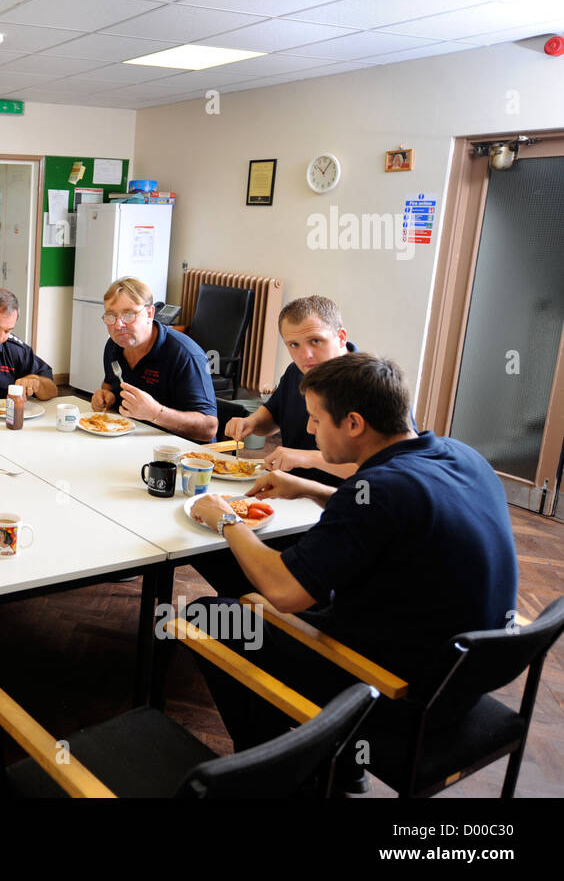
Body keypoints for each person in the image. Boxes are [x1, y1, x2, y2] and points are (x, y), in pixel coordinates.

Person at [186, 353, 518, 755]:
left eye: (316, 420)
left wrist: (226, 519)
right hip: (465, 674)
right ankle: (338, 764)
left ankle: (277, 769)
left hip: (395, 692)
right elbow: (389, 517)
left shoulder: (381, 491)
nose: (308, 430)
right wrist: (310, 488)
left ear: (354, 423)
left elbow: (285, 592)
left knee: (206, 617)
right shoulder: (459, 454)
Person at [224, 295, 358, 486]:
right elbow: (273, 416)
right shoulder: (297, 371)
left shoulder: (370, 383)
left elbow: (385, 467)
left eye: (316, 341)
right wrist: (251, 422)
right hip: (291, 489)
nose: (305, 355)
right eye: (294, 345)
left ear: (341, 337)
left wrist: (309, 458)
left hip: (342, 501)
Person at [90, 277, 217, 441]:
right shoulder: (114, 346)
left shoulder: (185, 355)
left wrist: (156, 413)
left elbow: (209, 428)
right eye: (111, 316)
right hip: (131, 439)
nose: (118, 325)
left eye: (129, 315)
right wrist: (106, 395)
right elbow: (110, 382)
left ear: (150, 313)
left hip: (179, 453)